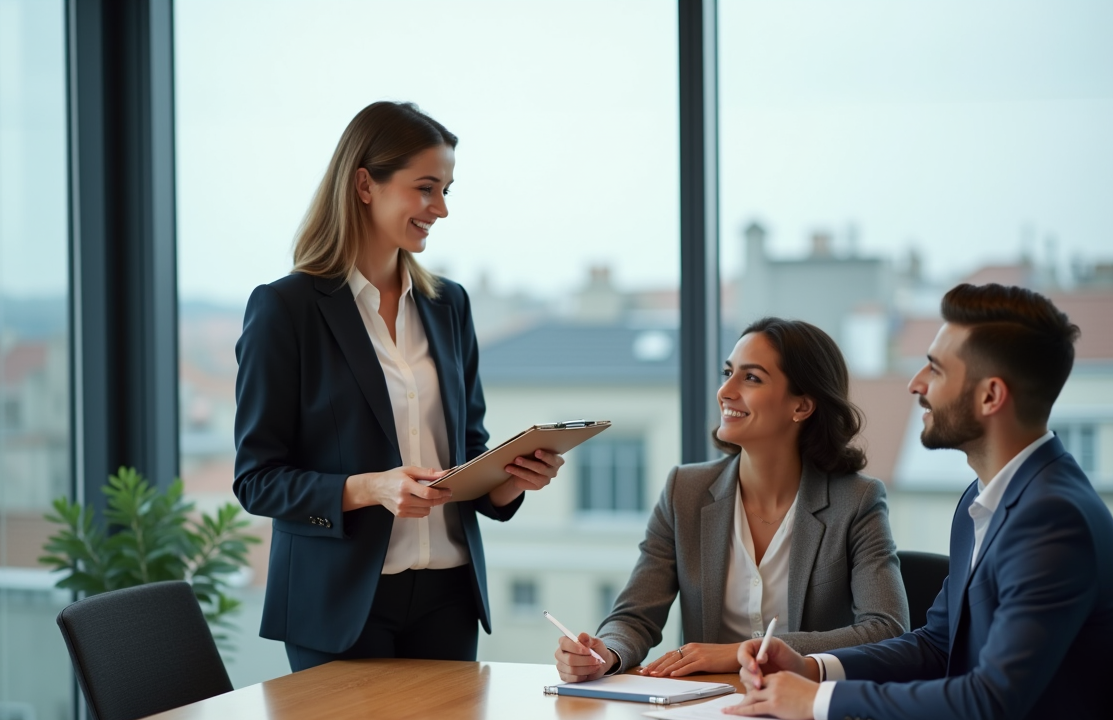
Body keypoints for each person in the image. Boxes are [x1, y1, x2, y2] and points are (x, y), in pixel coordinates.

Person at [729, 284, 1113, 720]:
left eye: (935, 369)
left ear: (990, 396)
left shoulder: (1052, 518)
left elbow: (989, 705)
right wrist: (813, 668)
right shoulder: (983, 501)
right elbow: (940, 644)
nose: (917, 384)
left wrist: (816, 701)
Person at [233, 101, 563, 672]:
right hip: (338, 601)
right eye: (426, 188)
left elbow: (465, 450)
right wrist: (370, 489)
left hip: (449, 593)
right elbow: (257, 480)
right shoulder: (286, 309)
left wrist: (510, 481)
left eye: (447, 190)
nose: (440, 209)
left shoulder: (448, 305)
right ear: (365, 183)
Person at [553, 318, 909, 682]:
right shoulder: (684, 491)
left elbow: (886, 629)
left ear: (801, 406)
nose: (725, 390)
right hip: (703, 711)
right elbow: (634, 616)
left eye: (751, 378)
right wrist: (606, 653)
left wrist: (737, 654)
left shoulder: (857, 501)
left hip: (804, 707)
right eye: (728, 372)